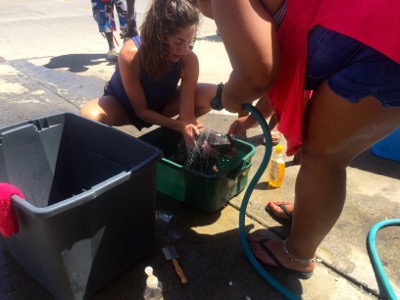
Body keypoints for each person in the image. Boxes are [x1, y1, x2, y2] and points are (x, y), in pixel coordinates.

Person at [196, 0, 400, 279]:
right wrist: (250, 119)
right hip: (380, 37)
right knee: (325, 153)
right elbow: (280, 61)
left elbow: (256, 75)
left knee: (323, 158)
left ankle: (298, 255)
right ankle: (308, 217)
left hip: (385, 47)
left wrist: (229, 96)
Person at [82, 0, 216, 151]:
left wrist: (191, 128)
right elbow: (141, 111)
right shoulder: (131, 55)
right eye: (178, 42)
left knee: (213, 94)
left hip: (162, 105)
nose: (184, 50)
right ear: (158, 34)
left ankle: (175, 138)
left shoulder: (189, 60)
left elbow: (187, 117)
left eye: (189, 42)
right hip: (124, 107)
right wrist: (179, 125)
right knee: (87, 117)